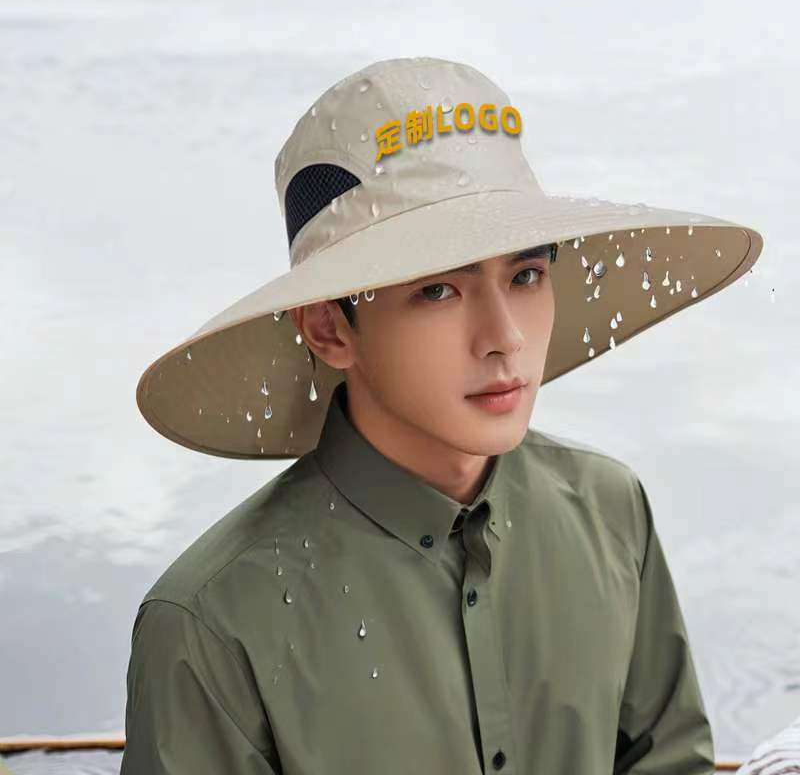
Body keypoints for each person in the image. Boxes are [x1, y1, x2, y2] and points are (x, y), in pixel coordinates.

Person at [122, 56, 764, 774]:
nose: (505, 337)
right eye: (437, 291)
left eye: (527, 275)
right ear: (330, 328)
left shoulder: (611, 511)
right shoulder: (212, 624)